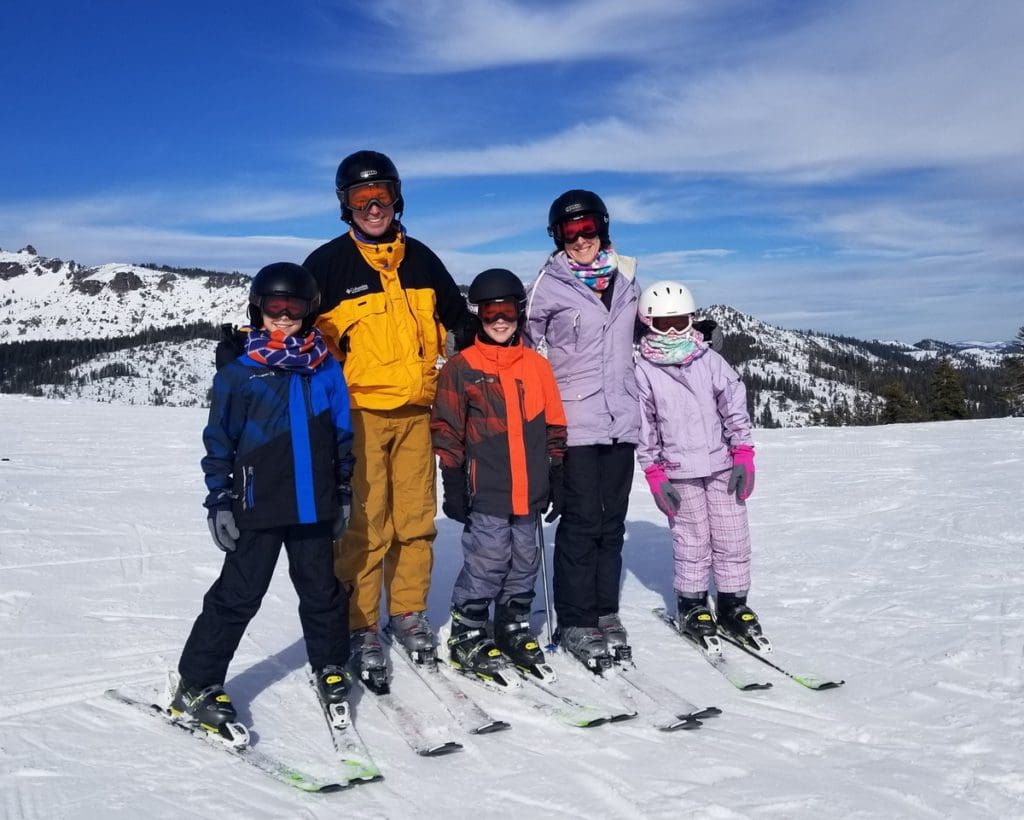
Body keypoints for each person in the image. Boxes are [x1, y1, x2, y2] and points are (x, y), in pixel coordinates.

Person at [303, 150, 474, 689]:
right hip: (358, 415)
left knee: (416, 520)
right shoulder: (327, 264)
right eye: (360, 198)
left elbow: (460, 321)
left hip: (417, 412)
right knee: (366, 522)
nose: (373, 206)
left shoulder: (420, 259)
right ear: (344, 206)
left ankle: (407, 611)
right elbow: (288, 322)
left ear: (397, 198)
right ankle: (362, 624)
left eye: (381, 195)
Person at [172, 262, 355, 735]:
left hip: (313, 502)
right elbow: (219, 440)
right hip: (257, 503)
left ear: (308, 311)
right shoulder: (241, 373)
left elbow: (341, 434)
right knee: (239, 594)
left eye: (292, 307)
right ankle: (197, 682)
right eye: (273, 307)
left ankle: (331, 662)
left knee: (322, 591)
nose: (282, 317)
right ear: (258, 310)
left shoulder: (324, 367)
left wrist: (342, 489)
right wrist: (220, 499)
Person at [522, 190, 641, 671]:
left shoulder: (628, 278)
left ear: (603, 227)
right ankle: (575, 617)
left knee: (613, 524)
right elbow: (523, 346)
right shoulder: (547, 286)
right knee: (581, 521)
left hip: (623, 419)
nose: (581, 239)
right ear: (557, 237)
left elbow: (642, 333)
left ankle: (604, 609)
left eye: (588, 228)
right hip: (574, 421)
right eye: (570, 231)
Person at [431, 268, 568, 684]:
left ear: (519, 313)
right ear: (479, 314)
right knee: (489, 560)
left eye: (506, 310)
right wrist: (453, 480)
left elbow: (555, 425)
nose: (499, 319)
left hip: (530, 488)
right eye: (490, 311)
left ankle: (511, 624)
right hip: (486, 488)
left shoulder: (535, 365)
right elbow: (447, 428)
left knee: (525, 559)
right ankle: (467, 630)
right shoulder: (462, 366)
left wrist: (558, 471)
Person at [634, 280, 762, 647]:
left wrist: (744, 454)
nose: (673, 331)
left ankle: (733, 603)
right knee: (692, 540)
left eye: (680, 321)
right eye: (663, 324)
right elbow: (645, 428)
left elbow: (734, 408)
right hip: (679, 472)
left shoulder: (711, 361)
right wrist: (655, 473)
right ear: (647, 323)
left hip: (722, 466)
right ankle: (692, 604)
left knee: (732, 537)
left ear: (692, 320)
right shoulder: (644, 371)